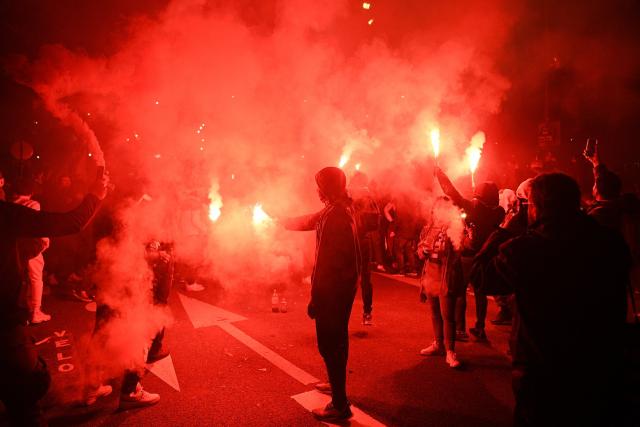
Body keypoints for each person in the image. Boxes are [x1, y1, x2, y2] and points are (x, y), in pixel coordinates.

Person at [480, 173, 630, 426]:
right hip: (598, 367)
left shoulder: (525, 248)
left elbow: (482, 276)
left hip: (542, 372)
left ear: (536, 208)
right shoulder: (610, 242)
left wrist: (504, 229)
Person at [0, 173, 108, 426]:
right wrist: (95, 195)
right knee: (28, 393)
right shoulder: (5, 213)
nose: (3, 181)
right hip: (4, 325)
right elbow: (71, 223)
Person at [283, 166, 361, 422]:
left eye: (319, 185)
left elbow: (327, 264)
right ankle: (335, 385)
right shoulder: (339, 208)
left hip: (333, 292)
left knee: (330, 344)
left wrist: (315, 299)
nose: (316, 190)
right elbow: (309, 220)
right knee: (337, 342)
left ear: (326, 188)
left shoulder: (336, 215)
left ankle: (339, 404)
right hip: (343, 289)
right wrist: (280, 221)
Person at [435, 167, 505, 341]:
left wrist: (440, 174)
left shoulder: (475, 207)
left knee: (460, 292)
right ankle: (480, 327)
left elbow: (453, 195)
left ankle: (459, 329)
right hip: (486, 256)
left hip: (469, 255)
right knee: (481, 293)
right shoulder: (499, 212)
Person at [417, 197, 464, 368]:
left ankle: (450, 351)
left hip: (445, 276)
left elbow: (460, 250)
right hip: (430, 274)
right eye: (436, 208)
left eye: (442, 208)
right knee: (434, 313)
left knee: (447, 316)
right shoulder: (429, 227)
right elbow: (419, 250)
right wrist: (422, 250)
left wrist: (460, 240)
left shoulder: (455, 228)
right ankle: (438, 344)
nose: (438, 211)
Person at [13, 179, 52, 324]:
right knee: (36, 278)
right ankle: (35, 312)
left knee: (16, 278)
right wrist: (45, 240)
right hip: (30, 247)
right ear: (31, 191)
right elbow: (36, 224)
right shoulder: (33, 204)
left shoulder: (8, 204)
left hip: (13, 247)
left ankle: (21, 306)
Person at [348, 172, 380, 325]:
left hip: (353, 240)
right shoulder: (369, 197)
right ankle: (367, 313)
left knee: (348, 276)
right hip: (364, 240)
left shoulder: (351, 197)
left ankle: (344, 311)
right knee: (365, 278)